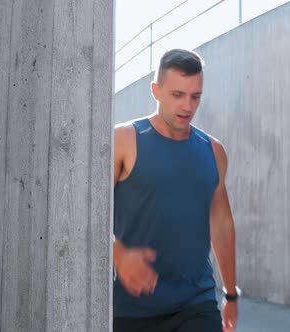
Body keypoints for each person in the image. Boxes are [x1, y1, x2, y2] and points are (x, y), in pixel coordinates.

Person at [113, 49, 239, 332]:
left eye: (196, 97)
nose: (188, 106)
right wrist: (118, 255)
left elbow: (221, 223)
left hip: (195, 303)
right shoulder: (123, 140)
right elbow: (89, 214)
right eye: (178, 95)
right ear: (156, 90)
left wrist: (230, 294)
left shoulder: (213, 151)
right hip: (131, 308)